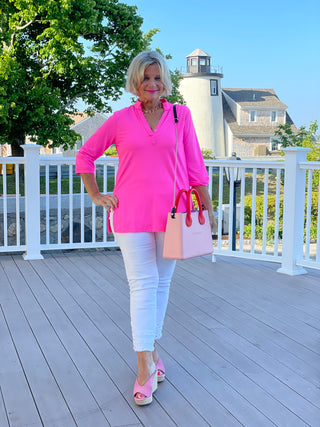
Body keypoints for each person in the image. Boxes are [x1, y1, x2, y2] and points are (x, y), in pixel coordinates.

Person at [76, 50, 215, 406]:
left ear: (165, 80)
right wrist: (96, 194)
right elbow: (86, 154)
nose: (152, 84)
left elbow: (196, 167)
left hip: (173, 215)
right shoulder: (121, 120)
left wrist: (208, 209)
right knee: (143, 285)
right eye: (145, 78)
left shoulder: (180, 115)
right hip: (130, 216)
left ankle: (152, 356)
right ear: (135, 82)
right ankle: (143, 369)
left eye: (157, 77)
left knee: (161, 285)